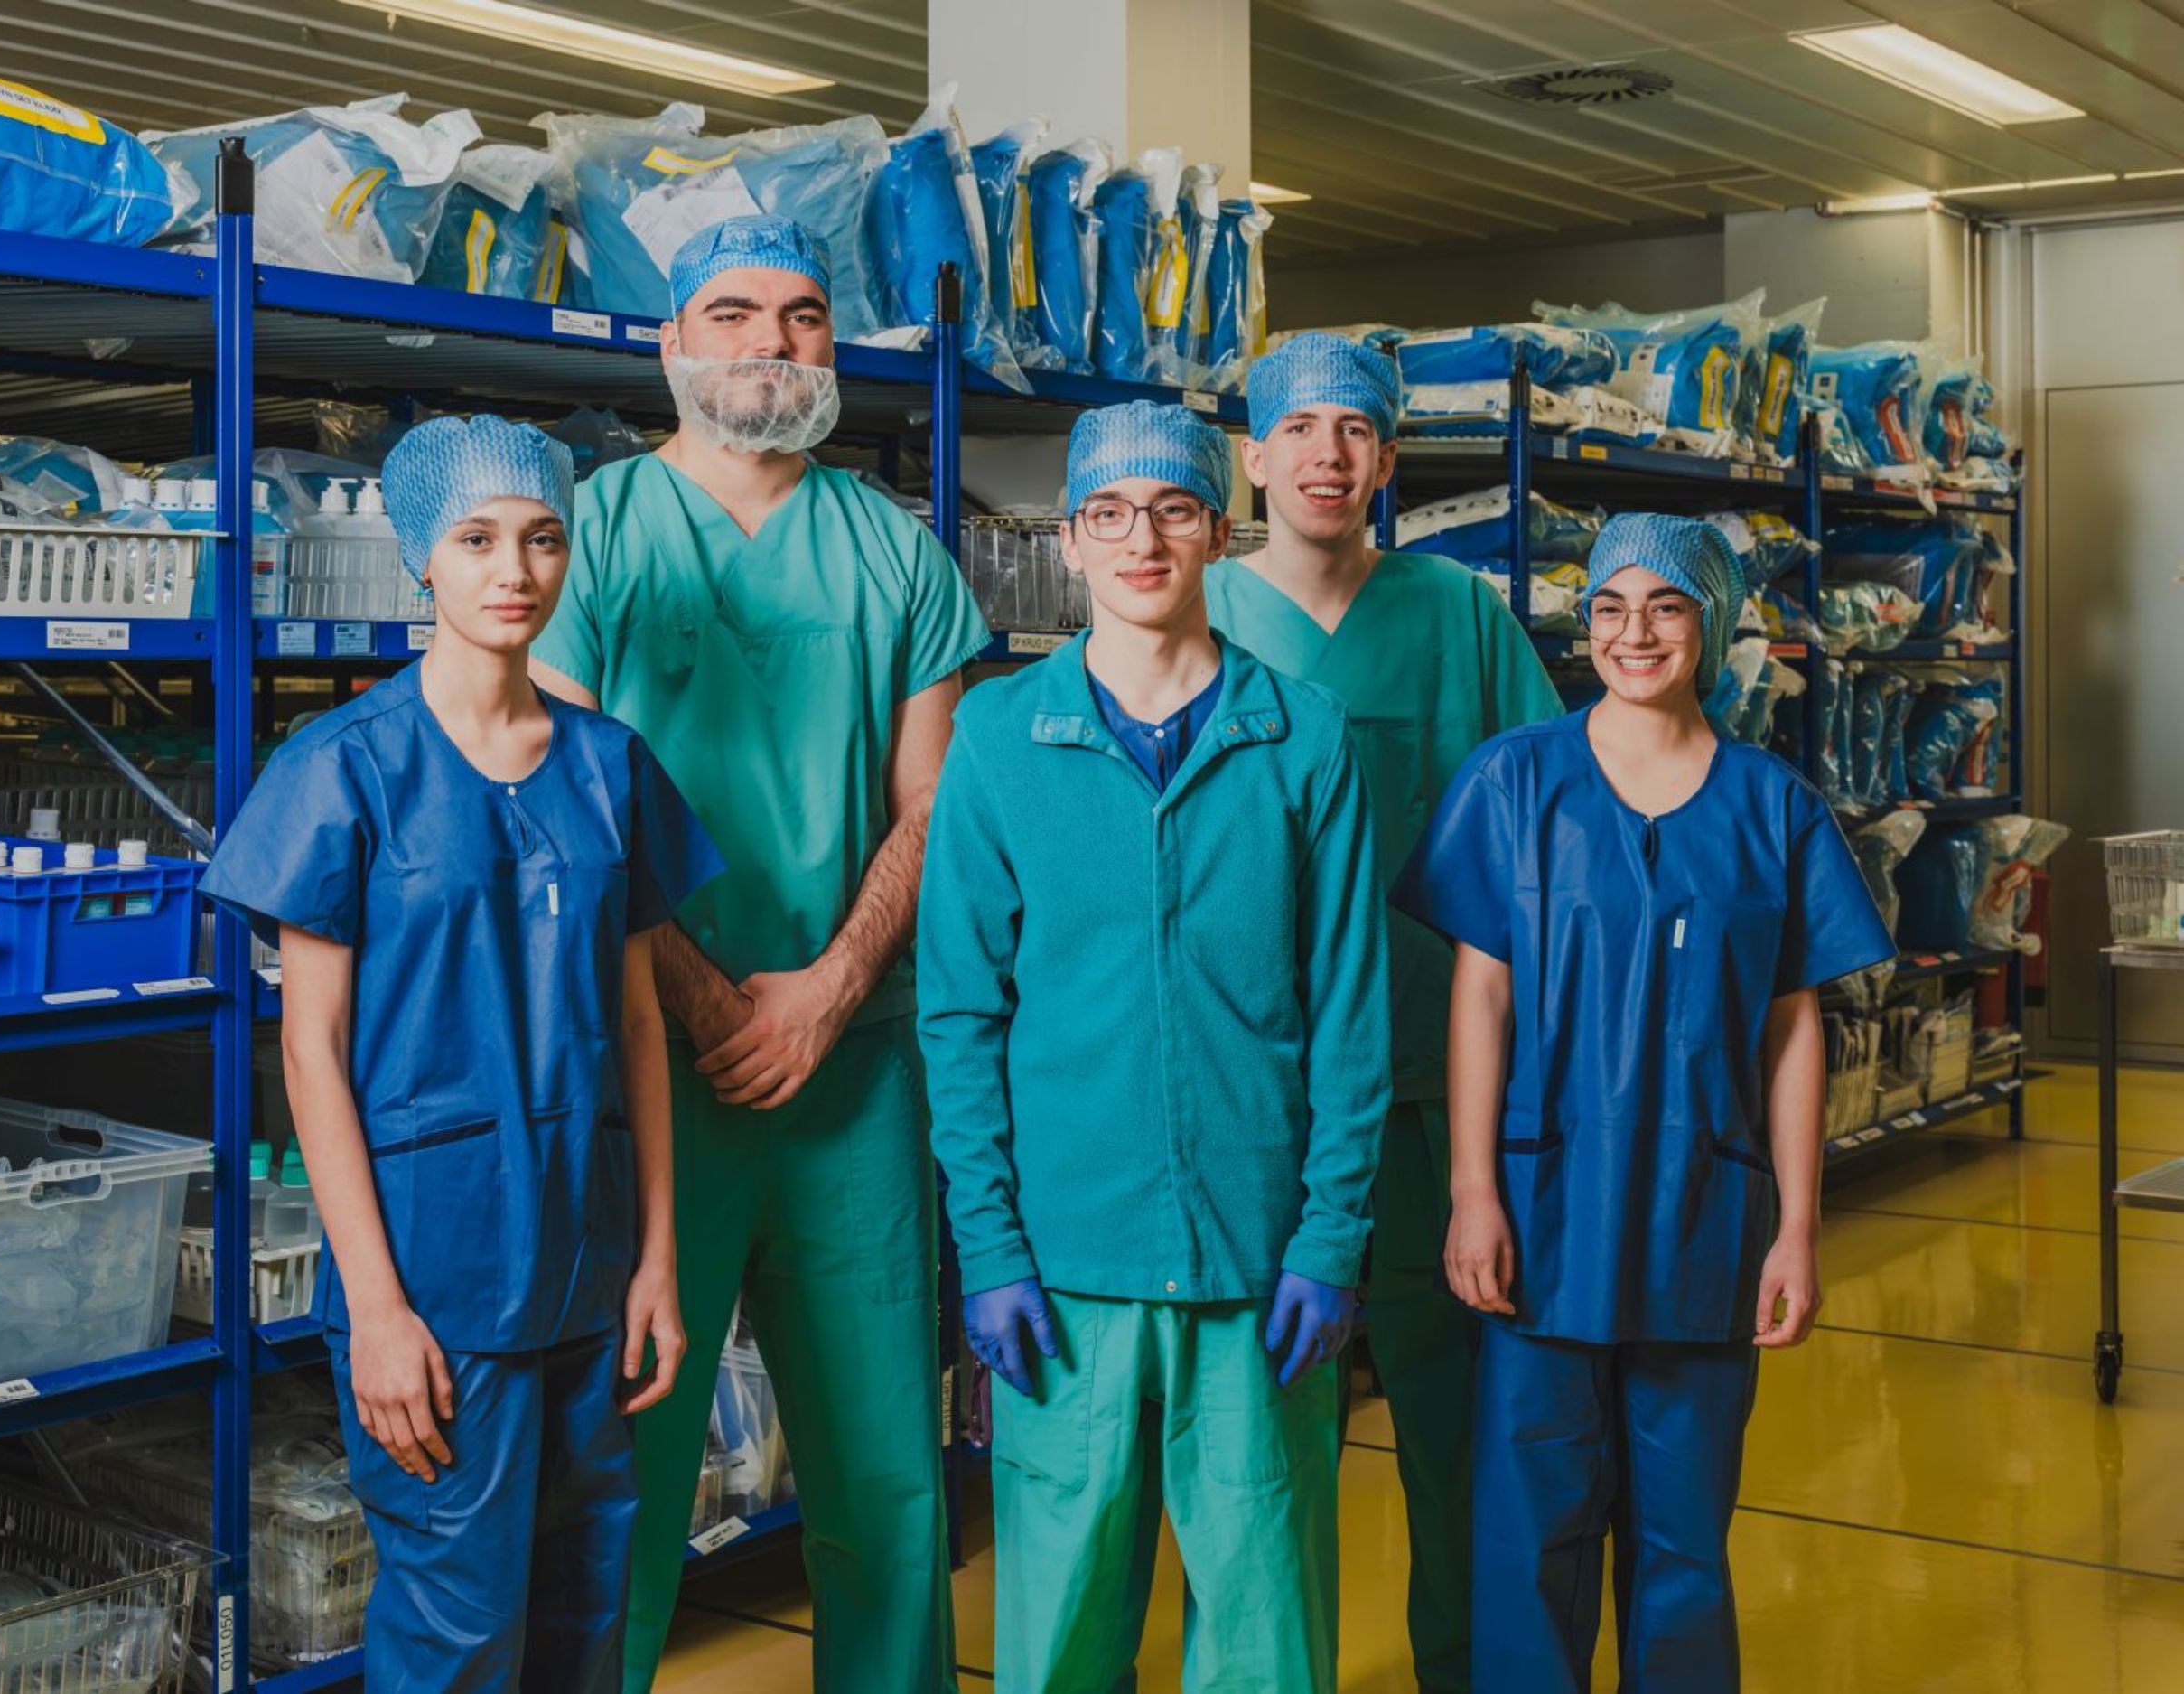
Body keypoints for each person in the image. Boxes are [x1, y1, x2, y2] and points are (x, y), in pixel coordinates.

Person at [528, 214, 987, 1694]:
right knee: (628, 1468)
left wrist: (831, 990)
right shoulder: (589, 532)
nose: (769, 344)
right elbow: (567, 801)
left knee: (883, 1473)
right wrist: (708, 996)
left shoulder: (894, 550)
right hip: (648, 1064)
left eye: (801, 317)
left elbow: (934, 805)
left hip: (852, 1072)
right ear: (672, 342)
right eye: (731, 313)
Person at [201, 416, 722, 1692]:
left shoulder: (610, 767)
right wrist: (378, 1311)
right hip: (436, 1282)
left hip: (592, 1271)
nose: (515, 570)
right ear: (420, 560)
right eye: (477, 540)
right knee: (459, 1633)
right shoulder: (345, 770)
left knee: (587, 1620)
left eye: (542, 539)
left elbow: (640, 1025)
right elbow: (313, 1053)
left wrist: (658, 1261)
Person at [919, 400, 1391, 1693]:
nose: (1143, 540)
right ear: (1070, 540)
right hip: (1064, 1271)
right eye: (1110, 513)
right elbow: (960, 1016)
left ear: (1220, 535)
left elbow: (1352, 1013)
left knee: (1265, 1640)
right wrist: (989, 1250)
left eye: (1175, 509)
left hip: (1256, 1263)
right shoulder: (999, 739)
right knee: (1062, 1640)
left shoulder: (1303, 738)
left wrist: (1331, 1239)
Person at [1393, 514, 1895, 1693]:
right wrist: (1472, 1193)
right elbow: (1480, 1000)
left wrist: (1798, 1228)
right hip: (1544, 1215)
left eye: (1667, 606)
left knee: (1684, 1545)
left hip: (1702, 1222)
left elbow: (1791, 1029)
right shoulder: (1516, 780)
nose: (1635, 632)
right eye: (1610, 607)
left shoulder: (1773, 806)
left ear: (1711, 624)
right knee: (1530, 1535)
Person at [1206, 329, 1562, 1694]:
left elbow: (1548, 823)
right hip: (1252, 1096)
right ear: (1253, 458)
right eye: (1299, 429)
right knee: (1256, 1443)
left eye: (1355, 429)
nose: (1328, 454)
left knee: (1454, 1424)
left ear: (1390, 460)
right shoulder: (1195, 609)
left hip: (1429, 1090)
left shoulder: (1460, 616)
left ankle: (1461, 1670)